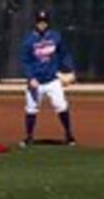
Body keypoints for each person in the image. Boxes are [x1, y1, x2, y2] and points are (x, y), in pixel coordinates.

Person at [19, 8, 77, 146]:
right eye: (39, 21)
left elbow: (64, 54)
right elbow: (25, 61)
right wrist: (30, 77)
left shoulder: (55, 37)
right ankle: (29, 137)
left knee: (61, 106)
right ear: (35, 22)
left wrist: (71, 69)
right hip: (36, 81)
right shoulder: (28, 40)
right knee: (31, 108)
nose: (42, 24)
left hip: (52, 79)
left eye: (44, 22)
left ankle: (69, 135)